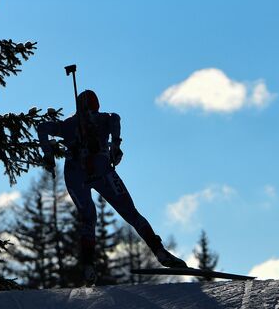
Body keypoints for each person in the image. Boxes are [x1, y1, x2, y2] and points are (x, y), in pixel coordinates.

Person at [37, 89, 187, 285]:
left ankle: (88, 267)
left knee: (88, 218)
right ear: (95, 105)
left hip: (75, 176)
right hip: (102, 172)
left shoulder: (67, 125)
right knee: (131, 214)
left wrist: (47, 154)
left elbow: (42, 127)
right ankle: (160, 252)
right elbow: (115, 118)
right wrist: (116, 145)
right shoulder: (102, 119)